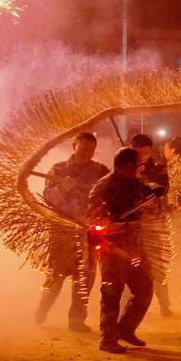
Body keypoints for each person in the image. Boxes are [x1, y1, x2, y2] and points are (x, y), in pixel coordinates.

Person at [88, 147, 163, 353]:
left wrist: (156, 188)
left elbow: (147, 189)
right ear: (129, 166)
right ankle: (107, 338)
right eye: (138, 164)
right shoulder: (103, 186)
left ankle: (126, 329)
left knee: (144, 288)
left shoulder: (134, 182)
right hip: (113, 249)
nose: (141, 167)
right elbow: (92, 219)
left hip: (135, 246)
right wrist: (105, 222)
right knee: (112, 292)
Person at [34, 132, 109, 332]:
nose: (87, 152)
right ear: (74, 147)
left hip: (88, 232)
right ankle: (43, 308)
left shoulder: (101, 171)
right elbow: (48, 199)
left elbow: (109, 197)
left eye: (91, 149)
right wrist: (63, 188)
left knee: (85, 279)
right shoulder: (58, 169)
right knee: (56, 275)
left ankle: (76, 320)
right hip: (61, 231)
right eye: (83, 148)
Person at [131, 134, 174, 317]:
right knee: (130, 267)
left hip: (154, 225)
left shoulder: (158, 168)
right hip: (132, 226)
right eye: (140, 153)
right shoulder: (122, 169)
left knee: (157, 266)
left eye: (147, 153)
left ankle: (164, 304)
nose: (144, 157)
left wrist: (143, 180)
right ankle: (127, 306)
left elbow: (162, 190)